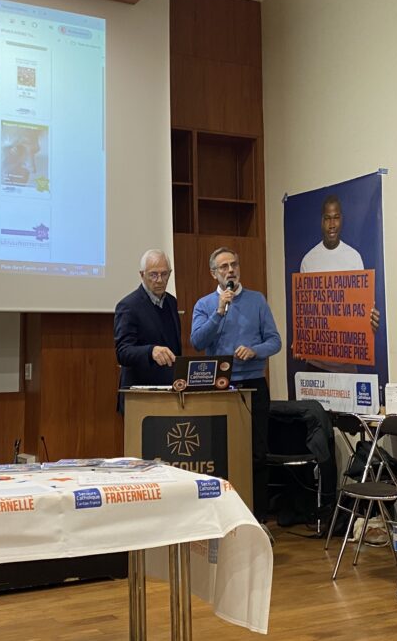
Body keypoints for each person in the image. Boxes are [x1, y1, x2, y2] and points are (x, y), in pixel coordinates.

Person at [191, 246, 281, 519]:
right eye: (224, 267)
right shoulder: (205, 305)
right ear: (213, 273)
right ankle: (221, 513)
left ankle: (258, 515)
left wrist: (255, 350)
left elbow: (274, 341)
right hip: (221, 387)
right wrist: (219, 313)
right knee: (221, 451)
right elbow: (197, 342)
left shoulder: (257, 300)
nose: (230, 270)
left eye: (234, 265)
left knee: (257, 452)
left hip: (253, 383)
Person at [296, 195, 379, 372]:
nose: (332, 224)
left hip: (347, 364)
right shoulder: (309, 260)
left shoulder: (354, 257)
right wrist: (300, 335)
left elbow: (361, 308)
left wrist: (370, 320)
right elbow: (305, 311)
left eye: (336, 218)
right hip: (315, 363)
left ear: (341, 220)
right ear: (321, 221)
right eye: (327, 218)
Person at [113, 249, 182, 411]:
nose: (159, 280)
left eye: (164, 274)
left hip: (169, 393)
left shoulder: (171, 302)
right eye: (153, 275)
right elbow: (122, 352)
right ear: (142, 274)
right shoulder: (128, 306)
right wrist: (151, 351)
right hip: (140, 396)